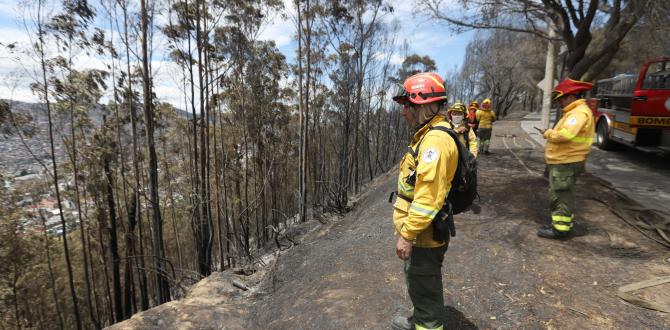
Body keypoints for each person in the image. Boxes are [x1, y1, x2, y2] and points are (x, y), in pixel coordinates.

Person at [390, 72, 459, 330]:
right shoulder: (429, 135)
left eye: (407, 106)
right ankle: (420, 319)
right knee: (420, 284)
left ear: (423, 104)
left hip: (423, 234)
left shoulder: (435, 142)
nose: (404, 112)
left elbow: (428, 197)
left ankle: (426, 324)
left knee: (425, 286)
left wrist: (407, 235)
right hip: (424, 231)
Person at [537, 79, 595, 239]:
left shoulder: (578, 113)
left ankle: (560, 230)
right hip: (565, 161)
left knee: (560, 196)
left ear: (570, 97)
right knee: (563, 194)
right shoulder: (574, 112)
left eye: (561, 99)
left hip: (566, 162)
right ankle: (562, 224)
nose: (560, 102)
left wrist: (548, 133)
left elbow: (565, 135)